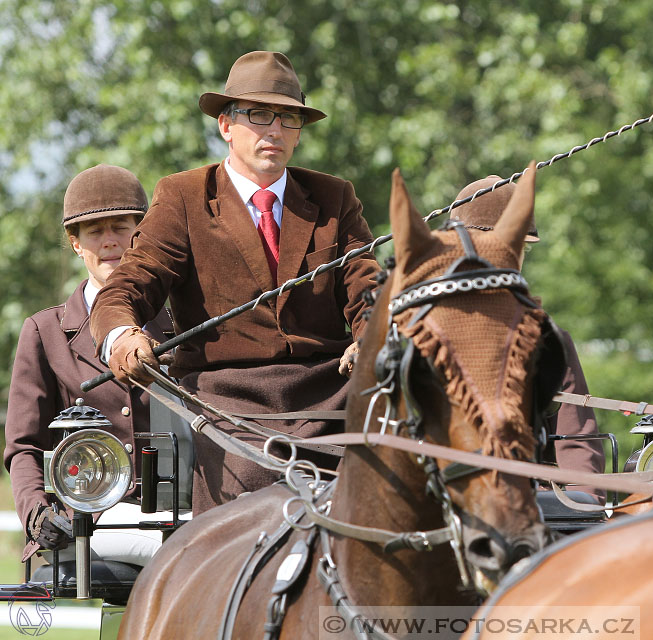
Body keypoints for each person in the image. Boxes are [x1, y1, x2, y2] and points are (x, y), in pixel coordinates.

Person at [90, 51, 380, 514]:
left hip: (331, 393)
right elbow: (129, 285)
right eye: (259, 115)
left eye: (288, 118)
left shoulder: (333, 197)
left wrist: (373, 339)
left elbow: (369, 290)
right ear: (226, 125)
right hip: (229, 401)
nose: (275, 130)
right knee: (256, 513)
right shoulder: (184, 196)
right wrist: (123, 335)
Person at [4, 164, 177, 565]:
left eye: (121, 227)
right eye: (95, 231)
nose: (110, 242)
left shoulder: (182, 325)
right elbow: (23, 446)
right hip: (88, 518)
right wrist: (35, 514)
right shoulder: (44, 332)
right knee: (184, 556)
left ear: (143, 233)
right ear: (75, 243)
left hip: (179, 509)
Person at [450, 176, 605, 500]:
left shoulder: (547, 338)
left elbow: (575, 439)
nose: (514, 256)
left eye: (520, 247)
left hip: (526, 504)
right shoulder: (423, 330)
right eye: (505, 245)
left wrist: (584, 506)